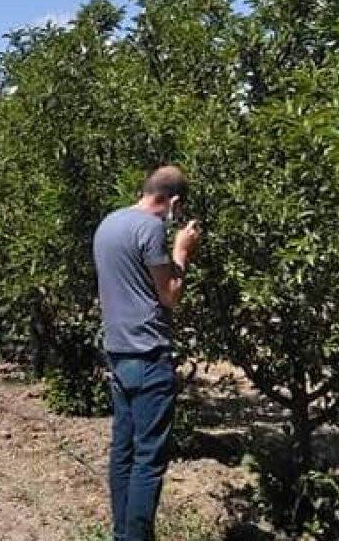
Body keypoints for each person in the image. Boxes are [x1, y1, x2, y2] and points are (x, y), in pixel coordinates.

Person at [92, 165, 201, 541]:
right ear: (173, 201)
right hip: (148, 355)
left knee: (123, 451)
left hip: (118, 352)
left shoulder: (109, 223)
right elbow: (169, 294)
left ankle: (122, 532)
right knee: (148, 461)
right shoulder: (151, 228)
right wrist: (181, 251)